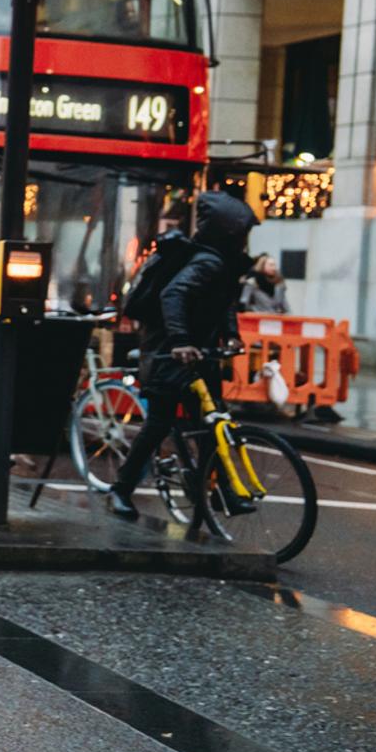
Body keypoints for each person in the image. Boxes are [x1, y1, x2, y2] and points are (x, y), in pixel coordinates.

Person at [108, 190, 259, 520]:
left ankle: (218, 490)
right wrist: (179, 340)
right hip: (170, 353)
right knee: (159, 424)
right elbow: (173, 294)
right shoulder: (207, 261)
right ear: (228, 232)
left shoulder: (222, 263)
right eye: (243, 232)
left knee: (211, 424)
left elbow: (224, 302)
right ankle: (121, 490)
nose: (246, 240)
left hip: (198, 353)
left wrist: (231, 334)